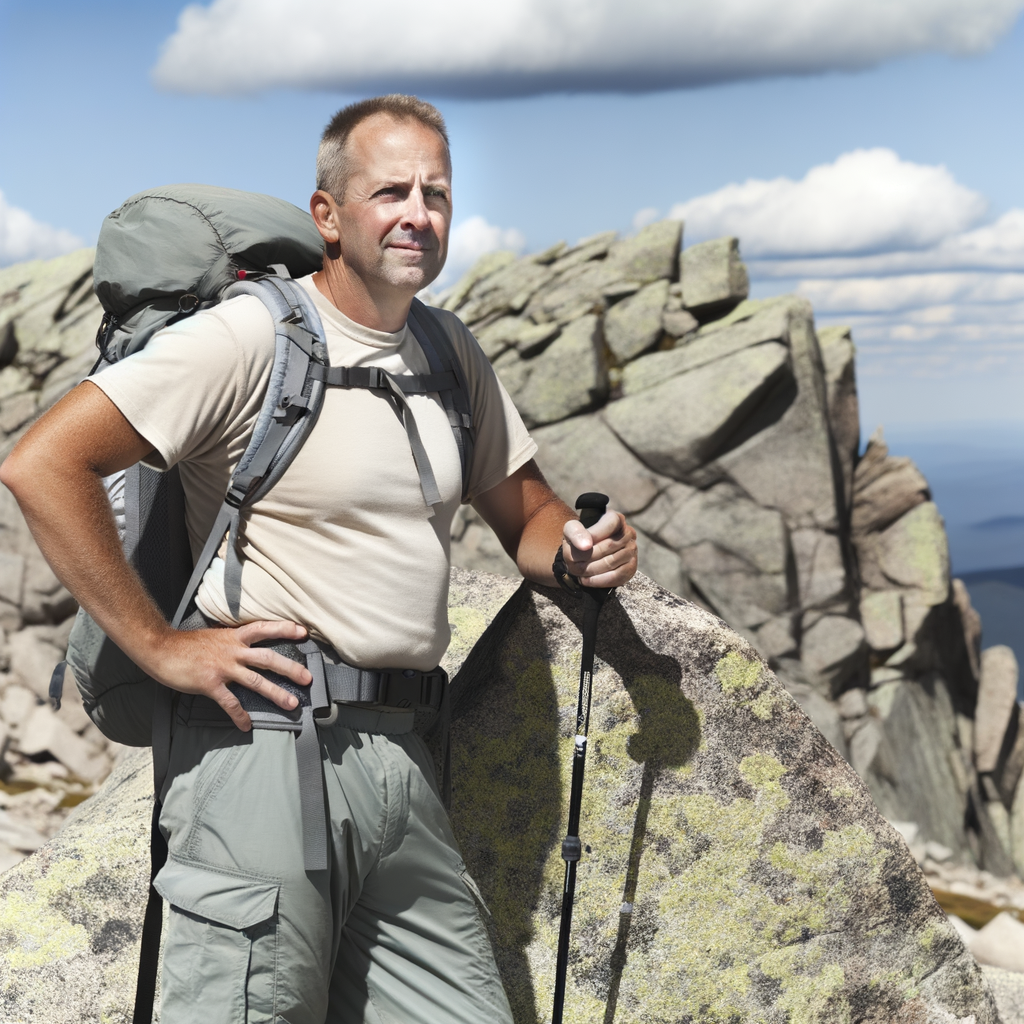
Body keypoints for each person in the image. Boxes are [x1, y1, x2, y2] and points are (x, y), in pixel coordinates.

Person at [0, 94, 638, 1023]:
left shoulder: (448, 351)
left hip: (405, 755)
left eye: (437, 193)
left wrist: (582, 552)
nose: (418, 212)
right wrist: (159, 645)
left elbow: (527, 511)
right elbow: (42, 462)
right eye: (389, 191)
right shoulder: (253, 335)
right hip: (262, 748)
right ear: (328, 216)